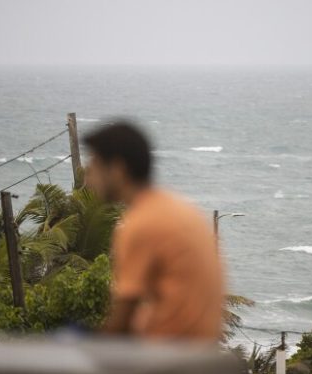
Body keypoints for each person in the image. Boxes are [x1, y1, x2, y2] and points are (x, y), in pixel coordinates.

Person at [83, 121, 224, 342]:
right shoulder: (179, 208)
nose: (87, 179)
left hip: (167, 358)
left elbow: (122, 323)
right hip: (199, 352)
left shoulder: (141, 223)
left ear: (118, 170)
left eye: (94, 167)